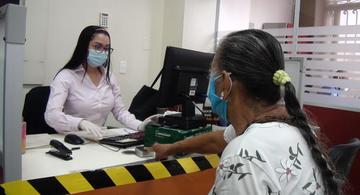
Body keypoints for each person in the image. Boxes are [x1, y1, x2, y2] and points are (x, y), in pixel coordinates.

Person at [45, 25, 149, 138]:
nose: (102, 52)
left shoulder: (109, 77)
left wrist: (140, 125)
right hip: (72, 139)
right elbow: (52, 115)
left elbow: (120, 112)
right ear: (83, 47)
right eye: (97, 47)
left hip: (99, 139)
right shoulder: (66, 76)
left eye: (106, 48)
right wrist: (80, 123)